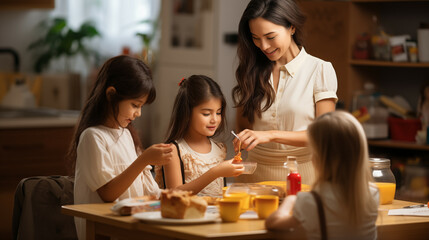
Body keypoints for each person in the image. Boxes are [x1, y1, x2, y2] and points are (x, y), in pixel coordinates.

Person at [67, 55, 174, 240]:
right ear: (111, 95)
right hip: (103, 231)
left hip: (129, 228)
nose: (138, 113)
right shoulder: (93, 137)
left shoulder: (127, 135)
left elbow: (151, 193)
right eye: (135, 105)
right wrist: (144, 160)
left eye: (141, 106)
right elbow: (108, 193)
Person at [232, 0, 338, 185]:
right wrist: (243, 140)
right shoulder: (250, 71)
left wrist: (270, 135)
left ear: (292, 27)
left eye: (270, 36)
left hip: (303, 176)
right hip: (253, 179)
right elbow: (242, 125)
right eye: (255, 38)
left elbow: (324, 135)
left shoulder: (319, 70)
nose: (263, 46)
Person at [265, 111, 379, 239]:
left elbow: (273, 223)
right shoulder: (373, 194)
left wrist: (290, 200)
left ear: (320, 158)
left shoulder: (311, 201)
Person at [155, 75, 244, 196]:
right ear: (187, 112)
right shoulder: (173, 151)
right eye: (206, 114)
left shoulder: (220, 149)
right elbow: (174, 193)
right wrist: (215, 172)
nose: (214, 120)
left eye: (218, 113)